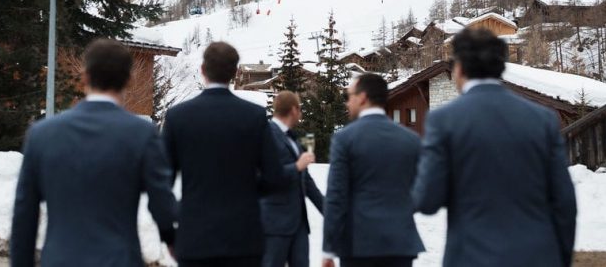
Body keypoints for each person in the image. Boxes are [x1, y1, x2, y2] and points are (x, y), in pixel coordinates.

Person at [412, 28, 577, 267]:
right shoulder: (542, 119)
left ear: (459, 68)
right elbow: (564, 202)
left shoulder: (444, 120)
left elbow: (428, 200)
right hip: (537, 256)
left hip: (471, 256)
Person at [10, 39, 176, 267]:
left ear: (85, 76)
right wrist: (171, 238)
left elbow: (24, 213)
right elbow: (161, 202)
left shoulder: (42, 134)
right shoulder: (142, 134)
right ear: (129, 79)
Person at [162, 42, 285, 267]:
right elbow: (275, 177)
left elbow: (161, 184)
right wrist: (247, 191)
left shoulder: (178, 117)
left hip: (194, 239)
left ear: (202, 69)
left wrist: (168, 235)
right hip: (244, 239)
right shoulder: (254, 116)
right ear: (235, 72)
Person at [322, 73, 424, 267]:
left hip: (358, 244)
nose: (347, 103)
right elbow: (422, 189)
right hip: (400, 242)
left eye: (349, 96)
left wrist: (329, 248)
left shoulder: (345, 139)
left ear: (362, 97)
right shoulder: (411, 139)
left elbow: (336, 197)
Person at [260, 91, 324, 267]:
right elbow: (263, 177)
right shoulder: (266, 136)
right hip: (274, 225)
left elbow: (306, 181)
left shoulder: (292, 139)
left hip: (299, 225)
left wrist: (329, 211)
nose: (301, 114)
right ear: (294, 110)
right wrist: (296, 167)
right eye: (300, 109)